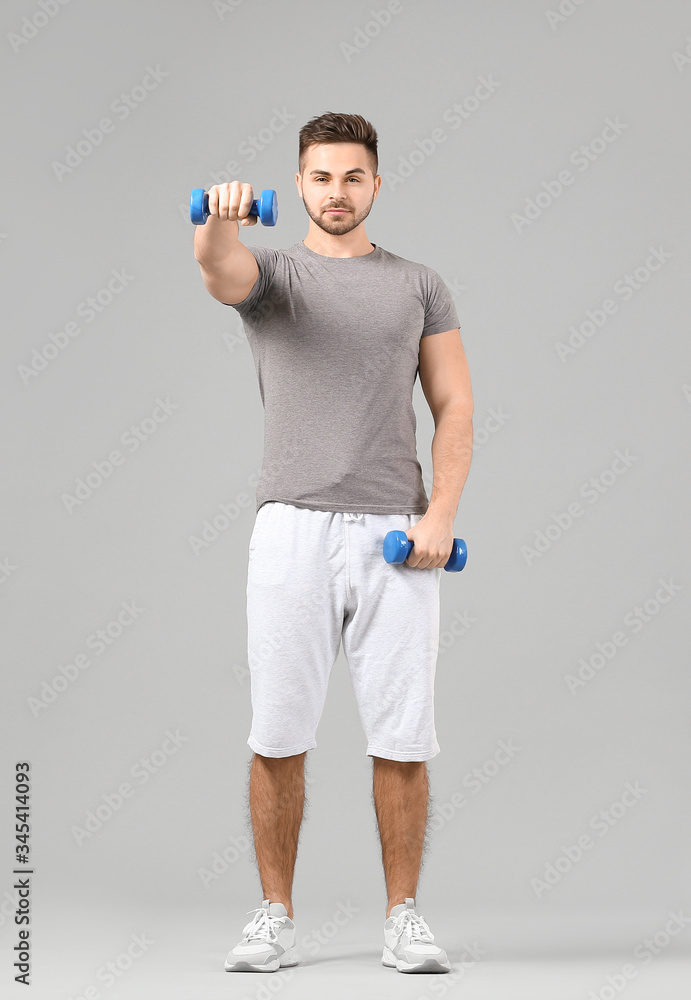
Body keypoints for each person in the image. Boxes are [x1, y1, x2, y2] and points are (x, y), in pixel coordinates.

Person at [193, 112, 474, 975]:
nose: (336, 193)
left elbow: (454, 405)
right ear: (300, 184)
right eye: (319, 178)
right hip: (291, 529)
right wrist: (220, 216)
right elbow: (217, 268)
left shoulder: (418, 284)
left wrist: (441, 517)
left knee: (403, 736)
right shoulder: (272, 275)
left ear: (376, 184)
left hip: (395, 528)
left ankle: (403, 918)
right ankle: (273, 914)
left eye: (353, 177)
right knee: (277, 731)